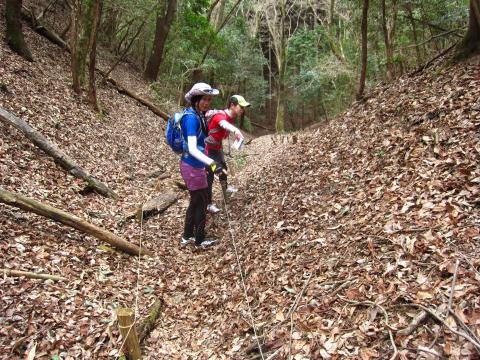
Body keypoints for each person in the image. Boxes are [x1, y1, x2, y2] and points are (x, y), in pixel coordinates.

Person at [179, 82, 225, 248]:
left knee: (196, 200)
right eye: (204, 99)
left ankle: (187, 236)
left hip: (195, 165)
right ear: (196, 99)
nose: (207, 102)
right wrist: (212, 163)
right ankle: (199, 239)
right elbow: (192, 148)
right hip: (192, 166)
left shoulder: (198, 115)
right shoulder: (191, 118)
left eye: (209, 100)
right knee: (202, 201)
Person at [205, 95, 251, 213]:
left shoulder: (230, 118)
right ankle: (208, 204)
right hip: (207, 151)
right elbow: (223, 124)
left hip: (217, 149)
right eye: (241, 106)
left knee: (223, 169)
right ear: (232, 105)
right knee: (209, 175)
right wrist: (236, 130)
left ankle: (225, 190)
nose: (243, 109)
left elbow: (222, 131)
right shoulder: (220, 115)